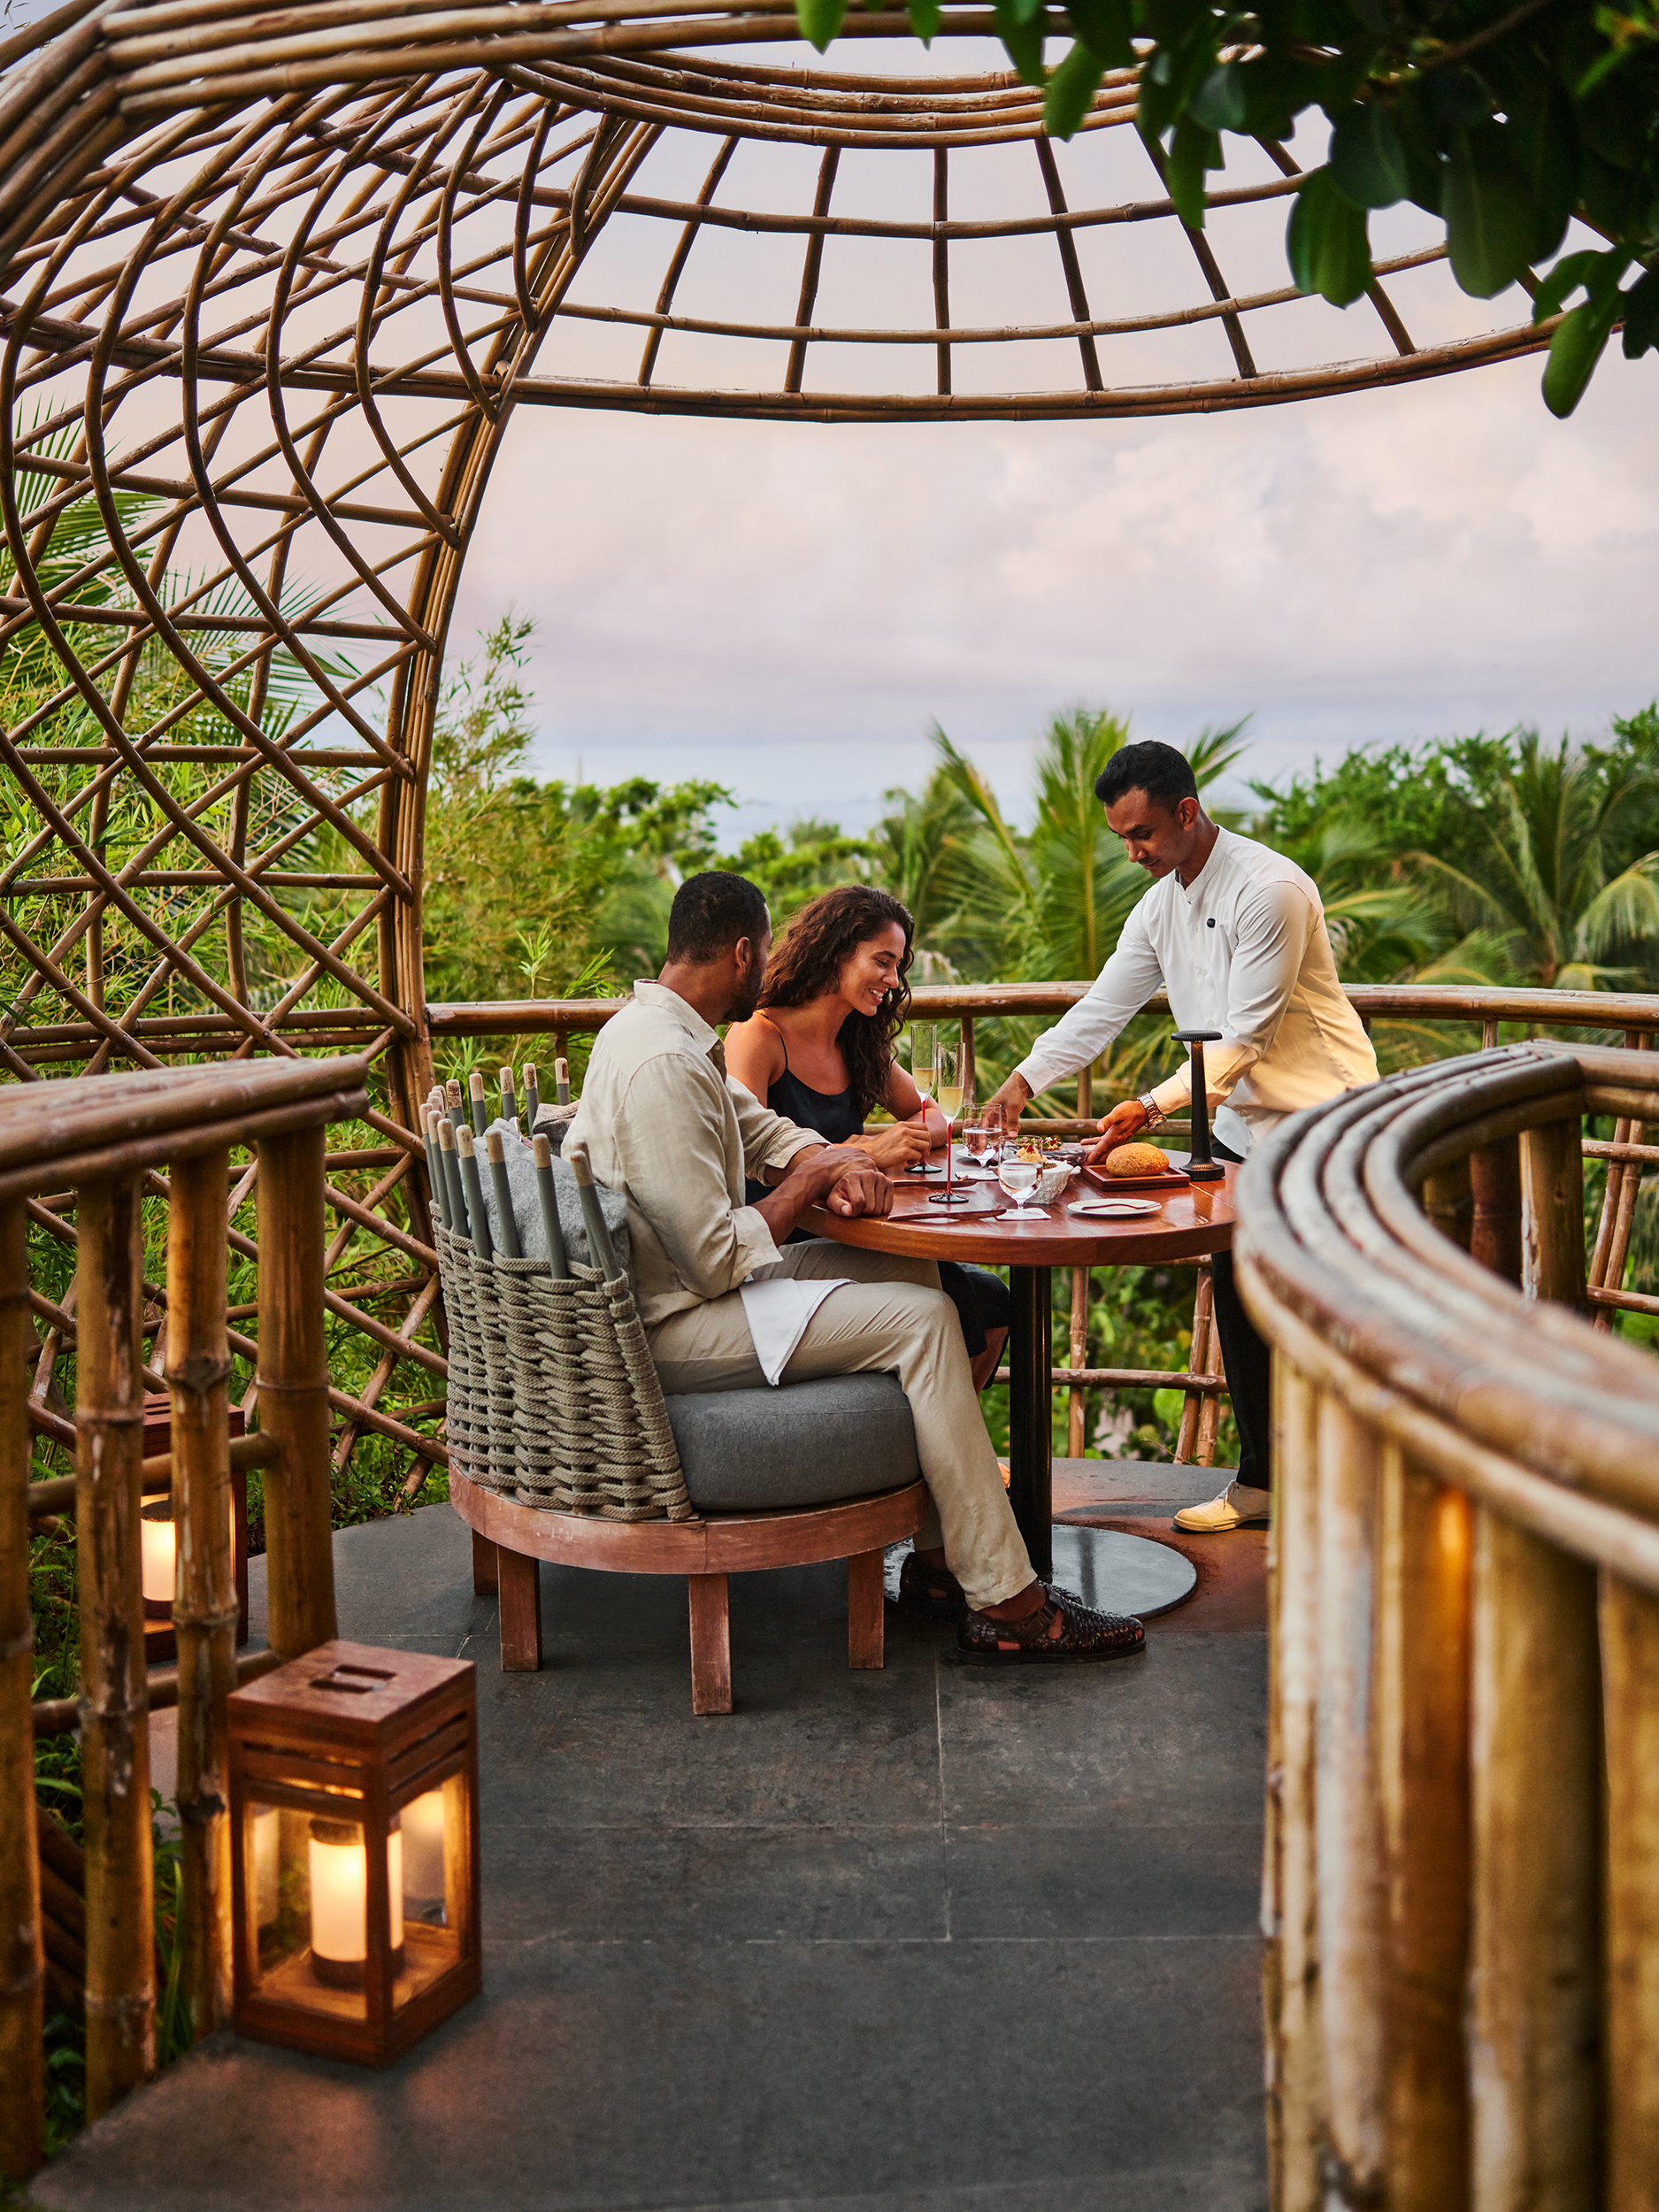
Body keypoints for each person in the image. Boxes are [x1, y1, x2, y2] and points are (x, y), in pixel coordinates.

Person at [566, 868, 1143, 1660]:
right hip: (672, 1327)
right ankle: (1009, 1601)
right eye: (764, 953)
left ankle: (944, 1567)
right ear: (743, 953)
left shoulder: (667, 1038)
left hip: (692, 1293)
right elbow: (708, 1262)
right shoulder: (664, 1064)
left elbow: (763, 1132)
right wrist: (810, 1179)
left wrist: (829, 1160)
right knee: (926, 1318)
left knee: (923, 1279)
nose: (769, 969)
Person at [981, 741, 1379, 1533]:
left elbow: (1243, 1042)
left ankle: (1361, 1496)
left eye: (1141, 835)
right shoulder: (1159, 900)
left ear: (1186, 813)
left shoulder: (1270, 890)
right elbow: (1103, 1007)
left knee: (1323, 1311)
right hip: (1236, 1126)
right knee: (1237, 1296)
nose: (1131, 853)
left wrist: (1147, 1107)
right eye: (1121, 838)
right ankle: (1265, 1483)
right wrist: (1024, 1080)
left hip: (1323, 1124)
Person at [726, 885, 1011, 1390]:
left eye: (898, 965)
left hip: (858, 1225)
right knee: (959, 1294)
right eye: (882, 961)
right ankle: (932, 1454)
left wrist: (875, 1145)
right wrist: (863, 1150)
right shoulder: (758, 1034)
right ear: (837, 952)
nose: (892, 979)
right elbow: (745, 1153)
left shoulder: (854, 1042)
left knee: (994, 1299)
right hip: (788, 1243)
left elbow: (936, 1118)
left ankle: (933, 1446)